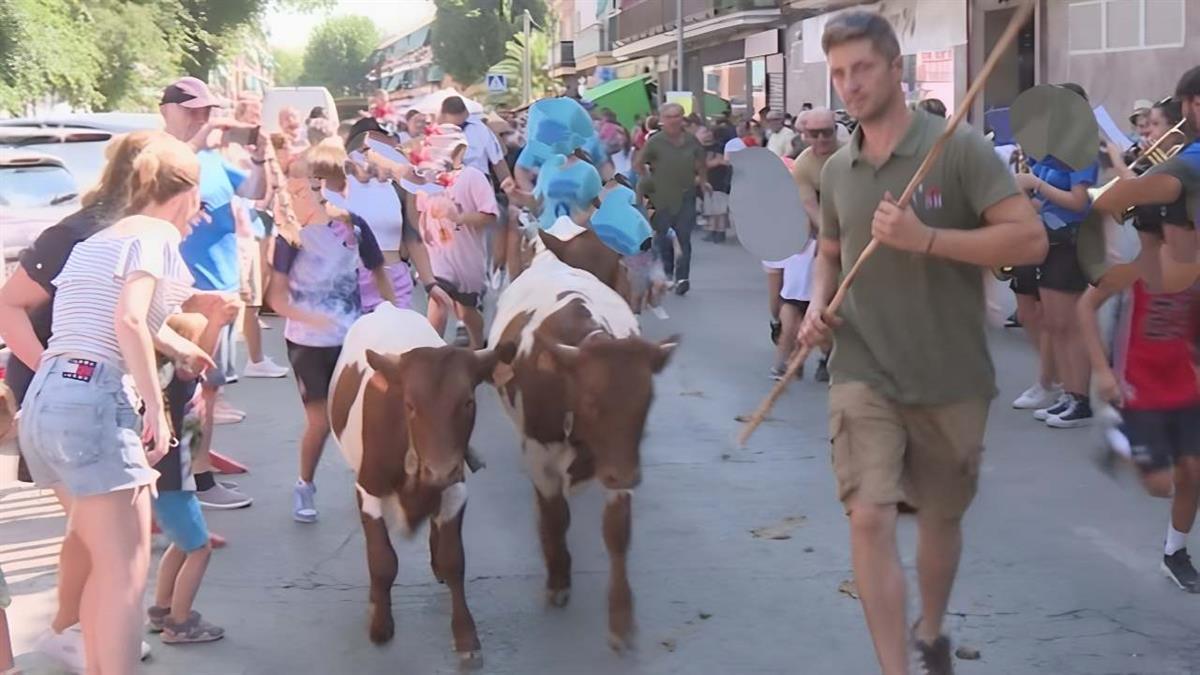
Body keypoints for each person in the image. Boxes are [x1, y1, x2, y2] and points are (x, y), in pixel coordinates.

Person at [799, 12, 1045, 675]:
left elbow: (1029, 239)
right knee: (869, 516)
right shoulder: (837, 169)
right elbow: (829, 251)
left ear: (896, 70)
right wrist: (818, 306)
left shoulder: (956, 149)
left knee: (940, 517)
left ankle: (930, 628)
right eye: (840, 73)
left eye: (863, 69)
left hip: (951, 373)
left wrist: (928, 239)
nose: (849, 85)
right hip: (861, 367)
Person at [17, 134, 208, 674]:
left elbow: (93, 317)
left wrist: (172, 342)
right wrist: (156, 406)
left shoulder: (99, 239)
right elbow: (127, 319)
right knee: (126, 574)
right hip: (94, 401)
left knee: (107, 567)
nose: (199, 214)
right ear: (185, 192)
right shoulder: (155, 235)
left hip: (47, 400)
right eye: (201, 200)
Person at [270, 139, 393, 523]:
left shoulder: (354, 226)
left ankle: (372, 483)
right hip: (307, 344)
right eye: (304, 186)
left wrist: (390, 313)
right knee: (320, 423)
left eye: (320, 184)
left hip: (353, 339)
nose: (313, 192)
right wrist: (310, 318)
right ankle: (304, 486)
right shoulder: (290, 236)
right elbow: (275, 297)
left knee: (366, 414)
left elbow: (378, 271)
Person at [160, 76, 264, 509]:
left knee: (209, 390)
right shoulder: (161, 154)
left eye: (208, 111)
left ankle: (197, 472)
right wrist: (204, 137)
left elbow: (256, 192)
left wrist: (263, 158)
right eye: (195, 111)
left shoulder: (215, 160)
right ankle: (190, 481)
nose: (204, 119)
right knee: (181, 391)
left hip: (219, 291)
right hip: (179, 294)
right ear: (169, 110)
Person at [1079, 271, 1200, 593]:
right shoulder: (1134, 266)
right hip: (1136, 382)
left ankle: (1175, 553)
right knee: (1160, 487)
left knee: (1192, 472)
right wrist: (1102, 371)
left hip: (1184, 382)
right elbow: (1085, 306)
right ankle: (1115, 439)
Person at [1012, 83, 1101, 429]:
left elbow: (1079, 202)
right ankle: (1069, 391)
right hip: (1048, 237)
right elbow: (1043, 203)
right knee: (1054, 323)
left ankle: (1081, 397)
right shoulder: (1053, 151)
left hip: (1071, 239)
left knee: (1069, 324)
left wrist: (1036, 185)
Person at [768, 107, 842, 382]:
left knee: (830, 308)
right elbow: (810, 205)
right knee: (798, 306)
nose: (822, 139)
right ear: (805, 135)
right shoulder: (803, 165)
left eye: (828, 132)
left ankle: (824, 357)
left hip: (849, 236)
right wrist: (832, 236)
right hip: (814, 241)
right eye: (815, 134)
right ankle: (789, 359)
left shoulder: (850, 156)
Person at [417, 125, 500, 348]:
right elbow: (420, 214)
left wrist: (460, 217)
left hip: (467, 259)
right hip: (437, 259)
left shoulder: (473, 177)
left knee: (466, 309)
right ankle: (431, 350)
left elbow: (490, 216)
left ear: (460, 151)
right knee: (439, 297)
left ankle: (477, 346)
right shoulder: (427, 181)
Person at [230, 94, 291, 380]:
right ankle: (252, 361)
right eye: (251, 114)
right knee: (249, 295)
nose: (256, 119)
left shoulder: (257, 148)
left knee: (254, 290)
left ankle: (248, 360)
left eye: (258, 113)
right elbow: (252, 189)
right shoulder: (232, 151)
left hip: (256, 223)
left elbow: (268, 186)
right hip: (243, 229)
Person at [638, 102, 708, 296]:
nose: (674, 120)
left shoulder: (691, 140)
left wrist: (702, 181)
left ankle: (682, 278)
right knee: (663, 237)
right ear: (662, 120)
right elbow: (639, 163)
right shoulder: (655, 142)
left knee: (684, 236)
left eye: (677, 116)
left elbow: (701, 163)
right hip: (662, 197)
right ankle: (668, 272)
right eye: (669, 117)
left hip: (686, 196)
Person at [699, 126, 731, 243]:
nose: (707, 134)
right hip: (707, 180)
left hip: (719, 180)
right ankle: (712, 230)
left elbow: (723, 160)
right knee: (710, 207)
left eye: (708, 131)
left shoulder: (719, 146)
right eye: (704, 132)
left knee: (720, 207)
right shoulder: (698, 148)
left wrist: (715, 162)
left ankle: (720, 231)